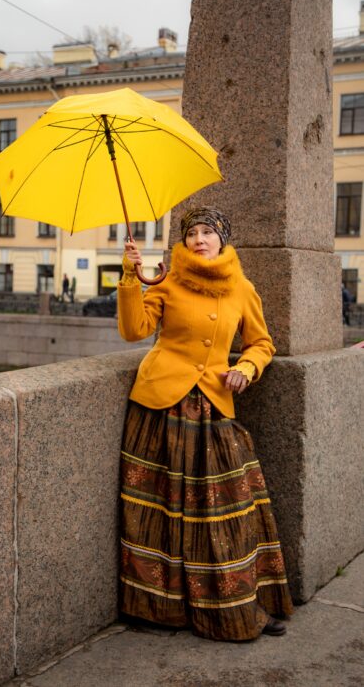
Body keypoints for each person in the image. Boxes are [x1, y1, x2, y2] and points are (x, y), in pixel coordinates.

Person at [117, 207, 293, 642]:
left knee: (225, 511)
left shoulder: (241, 288)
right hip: (159, 407)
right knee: (156, 509)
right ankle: (156, 608)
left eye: (208, 232)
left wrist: (247, 369)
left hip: (213, 408)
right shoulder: (167, 280)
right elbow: (133, 329)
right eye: (191, 232)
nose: (199, 239)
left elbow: (261, 342)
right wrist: (129, 279)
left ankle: (237, 607)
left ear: (223, 239)